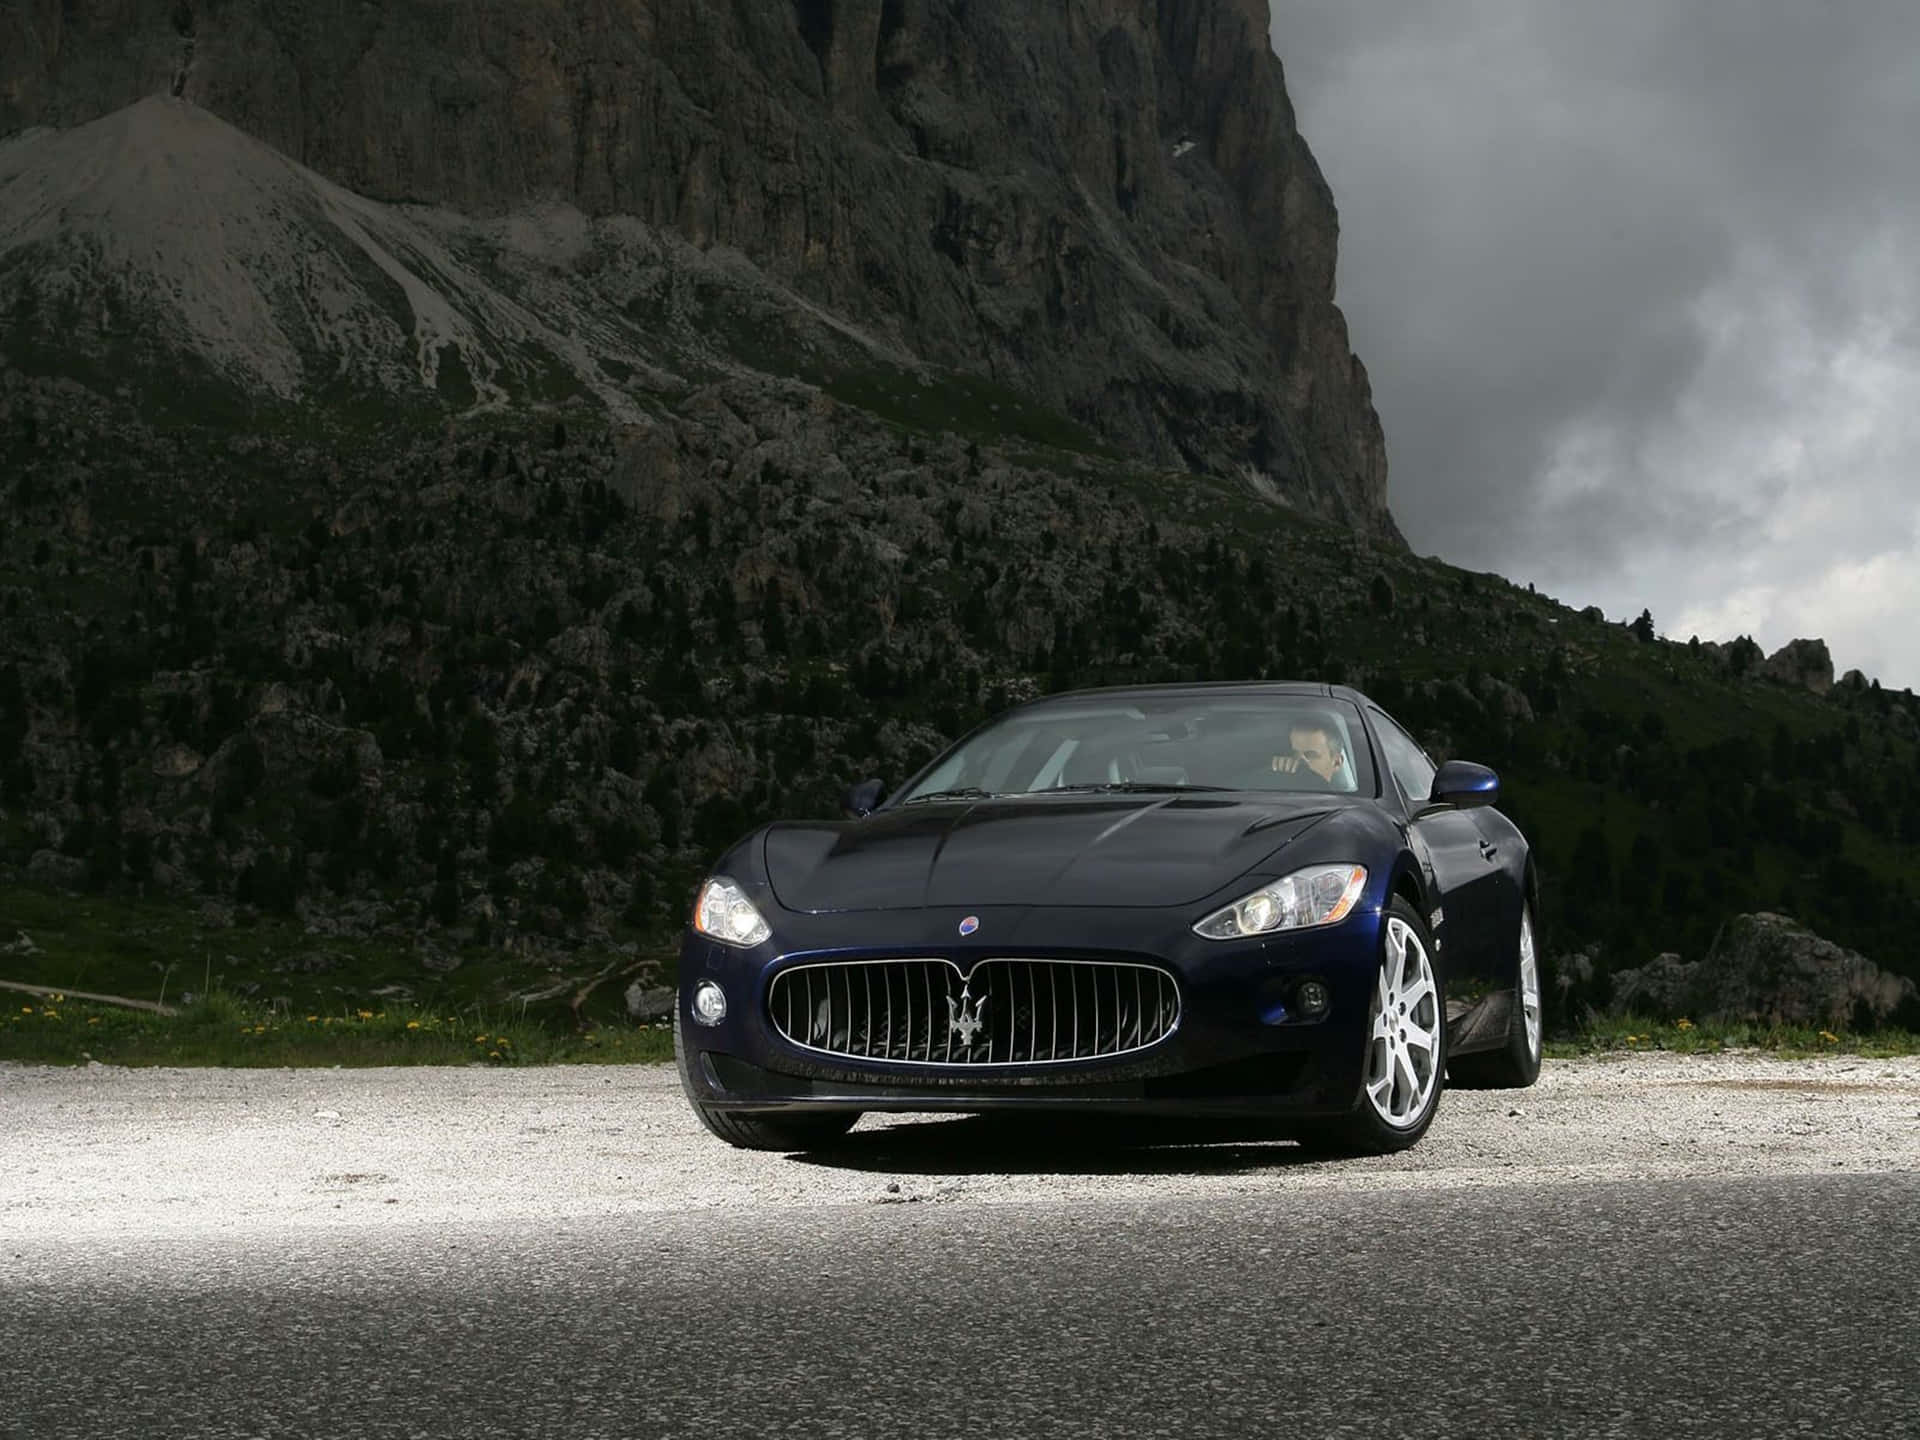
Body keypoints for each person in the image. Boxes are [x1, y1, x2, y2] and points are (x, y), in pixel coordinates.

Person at [1271, 719, 1356, 791]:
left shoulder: (1344, 807)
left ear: (1337, 762)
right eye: (1294, 753)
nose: (1299, 761)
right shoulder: (1271, 793)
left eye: (1310, 755)